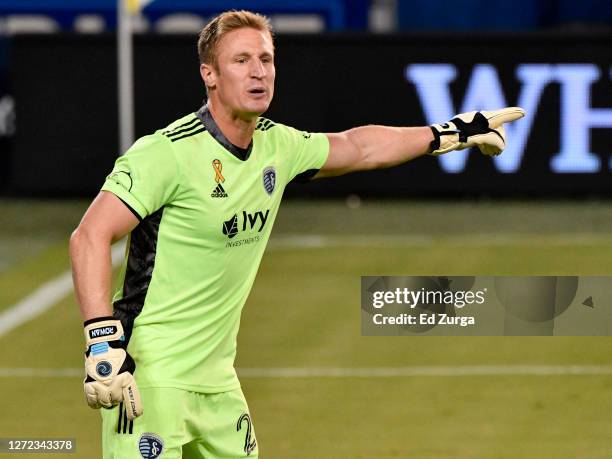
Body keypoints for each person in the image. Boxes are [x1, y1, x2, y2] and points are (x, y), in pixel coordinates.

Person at [69, 9, 524, 459]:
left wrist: (450, 133)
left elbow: (360, 147)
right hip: (152, 381)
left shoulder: (276, 145)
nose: (258, 72)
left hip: (218, 382)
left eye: (266, 59)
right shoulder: (165, 153)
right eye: (241, 60)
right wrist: (102, 343)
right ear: (209, 74)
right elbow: (89, 236)